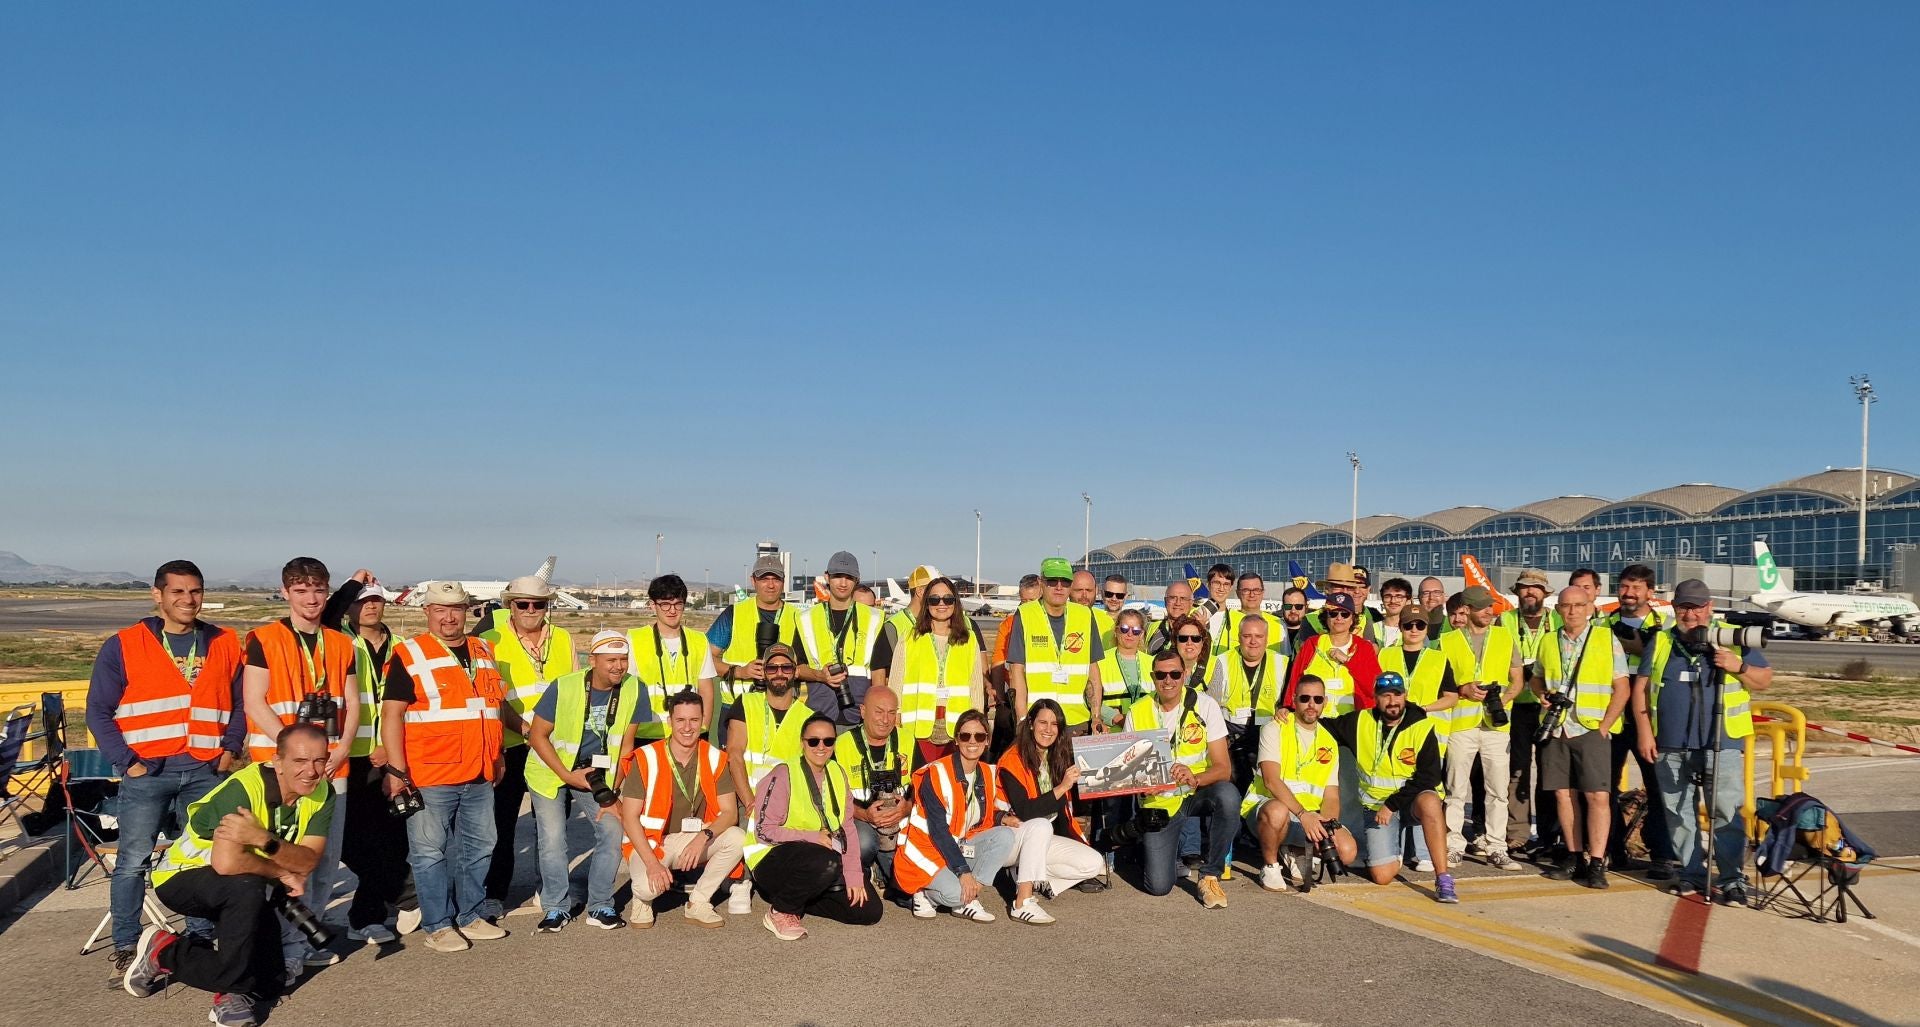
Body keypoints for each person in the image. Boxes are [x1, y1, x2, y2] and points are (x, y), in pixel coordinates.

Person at [89, 560, 245, 973]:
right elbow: (98, 712)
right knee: (133, 862)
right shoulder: (124, 645)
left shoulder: (225, 642)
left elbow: (241, 703)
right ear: (157, 595)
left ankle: (199, 937)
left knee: (200, 855)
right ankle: (126, 943)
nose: (188, 599)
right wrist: (128, 763)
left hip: (205, 770)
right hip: (148, 773)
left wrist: (230, 748)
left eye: (195, 591)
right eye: (178, 591)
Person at [124, 723, 335, 1027]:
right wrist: (281, 871)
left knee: (270, 983)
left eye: (319, 760)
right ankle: (231, 995)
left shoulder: (322, 792)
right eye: (300, 761)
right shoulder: (244, 789)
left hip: (245, 882)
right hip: (181, 877)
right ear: (277, 761)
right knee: (246, 886)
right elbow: (227, 863)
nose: (311, 771)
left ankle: (164, 951)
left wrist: (263, 839)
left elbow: (308, 861)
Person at [241, 557, 358, 969]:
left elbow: (353, 702)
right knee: (282, 861)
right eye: (302, 590)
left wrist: (342, 747)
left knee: (323, 860)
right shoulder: (263, 639)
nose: (311, 599)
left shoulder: (341, 643)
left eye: (319, 590)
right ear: (286, 592)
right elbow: (254, 701)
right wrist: (295, 752)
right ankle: (278, 946)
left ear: (328, 592)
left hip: (331, 768)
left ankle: (303, 942)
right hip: (281, 771)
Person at [379, 581, 509, 952]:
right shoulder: (410, 653)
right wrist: (397, 771)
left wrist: (498, 754)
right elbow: (392, 715)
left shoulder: (483, 649)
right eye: (440, 609)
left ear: (466, 611)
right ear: (427, 611)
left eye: (455, 609)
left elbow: (492, 707)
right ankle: (437, 925)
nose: (449, 617)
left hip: (479, 771)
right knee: (429, 852)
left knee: (480, 847)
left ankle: (470, 915)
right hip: (431, 773)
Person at [1633, 578, 1772, 905]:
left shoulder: (1732, 637)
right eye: (1684, 607)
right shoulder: (1662, 640)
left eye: (1696, 607)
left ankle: (1732, 878)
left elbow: (1764, 680)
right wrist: (1644, 732)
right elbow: (1641, 688)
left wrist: (1737, 666)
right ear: (1674, 608)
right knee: (1678, 812)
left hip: (1720, 742)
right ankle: (1691, 873)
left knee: (1725, 812)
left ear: (1709, 607)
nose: (1690, 614)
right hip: (1670, 744)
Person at [524, 630, 650, 932]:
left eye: (623, 659)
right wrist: (567, 775)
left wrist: (613, 792)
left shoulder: (635, 688)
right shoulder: (564, 686)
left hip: (597, 775)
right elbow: (537, 736)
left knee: (612, 829)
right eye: (610, 660)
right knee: (553, 839)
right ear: (592, 660)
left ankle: (600, 904)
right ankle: (556, 907)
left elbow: (627, 745)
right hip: (551, 771)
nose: (618, 666)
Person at [476, 575, 577, 922]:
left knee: (552, 826)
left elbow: (573, 690)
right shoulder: (490, 640)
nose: (531, 610)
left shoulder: (563, 639)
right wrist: (527, 730)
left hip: (554, 748)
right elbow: (493, 697)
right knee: (501, 825)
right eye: (523, 604)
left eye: (539, 604)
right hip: (512, 744)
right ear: (510, 606)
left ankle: (547, 889)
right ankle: (494, 893)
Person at [323, 572, 416, 944]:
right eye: (361, 600)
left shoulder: (403, 646)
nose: (370, 606)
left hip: (392, 754)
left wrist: (390, 749)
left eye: (375, 599)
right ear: (350, 607)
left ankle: (365, 917)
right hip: (351, 755)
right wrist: (351, 584)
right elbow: (326, 614)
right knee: (351, 840)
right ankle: (405, 892)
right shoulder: (339, 640)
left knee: (393, 838)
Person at [1308, 672, 1457, 902]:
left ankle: (1443, 878)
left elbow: (1430, 777)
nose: (1392, 701)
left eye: (1397, 695)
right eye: (1385, 696)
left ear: (1405, 695)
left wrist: (1392, 804)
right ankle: (1396, 847)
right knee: (1382, 876)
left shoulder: (1421, 725)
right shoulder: (1360, 721)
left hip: (1411, 803)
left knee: (1430, 800)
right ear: (1375, 698)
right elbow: (1323, 726)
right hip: (1376, 808)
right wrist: (1288, 711)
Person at [748, 714, 882, 940]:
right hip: (772, 858)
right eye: (813, 741)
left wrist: (853, 874)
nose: (821, 747)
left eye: (828, 741)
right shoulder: (784, 773)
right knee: (825, 862)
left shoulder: (837, 772)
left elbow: (847, 827)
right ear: (802, 742)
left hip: (820, 858)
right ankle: (782, 910)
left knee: (868, 911)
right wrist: (812, 836)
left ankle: (799, 899)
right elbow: (763, 831)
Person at [618, 691, 747, 927]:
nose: (687, 728)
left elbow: (730, 813)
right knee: (647, 888)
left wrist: (703, 837)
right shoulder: (646, 757)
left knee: (737, 838)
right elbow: (629, 817)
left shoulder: (715, 757)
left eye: (694, 720)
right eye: (680, 720)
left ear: (703, 721)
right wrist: (653, 864)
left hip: (693, 837)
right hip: (652, 842)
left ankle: (698, 901)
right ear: (670, 721)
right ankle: (641, 901)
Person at [1531, 588, 1630, 889]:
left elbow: (1622, 687)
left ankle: (1597, 861)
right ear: (1558, 609)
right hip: (1557, 728)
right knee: (1564, 795)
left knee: (1597, 796)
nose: (1572, 611)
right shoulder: (1548, 641)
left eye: (1578, 605)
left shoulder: (1605, 638)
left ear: (1590, 607)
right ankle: (1575, 857)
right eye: (1566, 606)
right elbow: (1536, 677)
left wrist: (1605, 725)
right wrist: (1541, 694)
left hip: (1590, 727)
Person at [1126, 649, 1239, 908]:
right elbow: (1129, 773)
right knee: (1158, 887)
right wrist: (1142, 785)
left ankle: (1210, 876)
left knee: (1228, 796)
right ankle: (1158, 852)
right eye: (1161, 675)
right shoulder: (1137, 711)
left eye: (1175, 674)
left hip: (1196, 792)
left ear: (1185, 674)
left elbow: (1223, 769)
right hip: (1160, 803)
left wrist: (1194, 777)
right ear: (1152, 677)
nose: (1168, 680)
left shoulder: (1205, 705)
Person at [895, 710, 1017, 922]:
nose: (972, 741)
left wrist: (1001, 818)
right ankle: (926, 894)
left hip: (958, 846)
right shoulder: (936, 773)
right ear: (956, 740)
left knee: (1005, 836)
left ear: (987, 741)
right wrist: (963, 872)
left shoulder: (987, 772)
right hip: (927, 851)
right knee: (955, 893)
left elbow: (976, 813)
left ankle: (969, 896)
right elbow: (939, 830)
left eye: (979, 736)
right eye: (965, 736)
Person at [1437, 586, 1525, 871]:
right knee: (1455, 789)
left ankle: (1496, 846)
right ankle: (1453, 845)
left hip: (1496, 726)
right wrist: (1462, 689)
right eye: (1482, 607)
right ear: (1467, 609)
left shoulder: (1504, 637)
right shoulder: (1447, 641)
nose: (1489, 611)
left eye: (1490, 606)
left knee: (1498, 789)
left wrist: (1503, 701)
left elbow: (1517, 679)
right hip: (1461, 723)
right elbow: (1439, 681)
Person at [1244, 675, 1359, 891]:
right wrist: (1303, 815)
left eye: (1317, 699)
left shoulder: (1329, 740)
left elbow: (1331, 795)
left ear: (1325, 702)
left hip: (1309, 816)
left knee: (1347, 851)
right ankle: (1270, 866)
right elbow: (1270, 780)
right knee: (1277, 811)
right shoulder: (1274, 728)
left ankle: (1294, 850)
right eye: (1305, 698)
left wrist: (1326, 825)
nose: (1311, 704)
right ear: (1294, 699)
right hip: (1270, 810)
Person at [998, 700, 1105, 923]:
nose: (1048, 729)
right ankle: (1022, 902)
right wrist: (1063, 787)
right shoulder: (1012, 759)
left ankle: (1040, 880)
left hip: (1042, 837)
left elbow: (1070, 805)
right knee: (1040, 825)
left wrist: (1100, 744)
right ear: (1030, 724)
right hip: (1009, 838)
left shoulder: (1057, 755)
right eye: (1043, 723)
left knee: (1094, 863)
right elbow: (1026, 811)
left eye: (1055, 724)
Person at [1603, 563, 1676, 878]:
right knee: (1603, 787)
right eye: (1624, 586)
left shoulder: (1667, 627)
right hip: (1612, 716)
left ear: (1650, 592)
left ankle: (1662, 855)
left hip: (1649, 718)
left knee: (1658, 788)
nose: (1629, 593)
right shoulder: (1603, 625)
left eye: (1636, 587)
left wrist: (1644, 646)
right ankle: (1613, 850)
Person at [890, 576, 986, 763]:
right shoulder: (909, 637)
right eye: (934, 599)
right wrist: (896, 716)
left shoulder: (969, 639)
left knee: (950, 778)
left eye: (948, 599)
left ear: (955, 603)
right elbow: (896, 681)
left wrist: (977, 724)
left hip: (956, 728)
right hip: (917, 728)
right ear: (926, 604)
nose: (941, 604)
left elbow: (975, 686)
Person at [1500, 569, 1561, 859]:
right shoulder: (1505, 620)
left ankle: (1550, 835)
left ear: (1545, 593)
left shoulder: (1558, 620)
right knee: (1517, 771)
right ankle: (1517, 835)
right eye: (1524, 588)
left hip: (1549, 704)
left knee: (1550, 772)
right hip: (1516, 705)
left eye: (1535, 588)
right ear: (1517, 592)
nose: (1529, 592)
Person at [1006, 557, 1105, 736]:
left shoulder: (1084, 615)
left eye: (1065, 582)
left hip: (1076, 721)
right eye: (1052, 581)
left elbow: (1093, 671)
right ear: (1041, 583)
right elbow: (1016, 670)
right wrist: (1022, 719)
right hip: (1038, 720)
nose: (1059, 587)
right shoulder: (1025, 614)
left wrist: (1096, 716)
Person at [833, 683, 915, 891]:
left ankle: (884, 871)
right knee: (864, 843)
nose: (885, 720)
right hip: (859, 819)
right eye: (879, 712)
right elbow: (832, 797)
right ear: (863, 711)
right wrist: (865, 814)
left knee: (906, 892)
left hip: (900, 821)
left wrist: (906, 808)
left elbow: (923, 787)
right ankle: (863, 869)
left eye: (891, 713)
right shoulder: (841, 744)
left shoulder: (908, 739)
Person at [711, 555, 817, 716]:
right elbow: (706, 658)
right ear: (753, 581)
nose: (771, 585)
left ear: (784, 581)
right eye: (764, 579)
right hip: (738, 708)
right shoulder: (734, 614)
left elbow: (811, 665)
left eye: (776, 579)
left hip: (785, 708)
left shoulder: (799, 618)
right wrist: (740, 672)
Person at [622, 573, 716, 753]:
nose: (672, 611)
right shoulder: (635, 639)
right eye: (665, 604)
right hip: (646, 735)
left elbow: (706, 690)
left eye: (677, 604)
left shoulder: (698, 640)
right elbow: (628, 693)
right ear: (653, 605)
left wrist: (702, 729)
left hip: (688, 734)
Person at [797, 551, 883, 730]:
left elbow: (880, 674)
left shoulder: (874, 618)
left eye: (849, 577)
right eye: (837, 576)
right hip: (819, 715)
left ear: (857, 580)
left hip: (860, 717)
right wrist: (820, 675)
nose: (843, 583)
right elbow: (796, 668)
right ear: (827, 577)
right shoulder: (806, 618)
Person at [1210, 614, 1287, 791]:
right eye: (1247, 636)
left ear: (1266, 638)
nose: (1253, 641)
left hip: (1267, 729)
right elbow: (1212, 705)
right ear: (1239, 637)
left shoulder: (1282, 662)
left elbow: (1286, 703)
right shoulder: (1222, 661)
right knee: (1235, 784)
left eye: (1259, 636)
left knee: (1267, 784)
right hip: (1232, 731)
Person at [725, 642, 808, 801]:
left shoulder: (809, 717)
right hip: (747, 800)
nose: (779, 673)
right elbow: (734, 755)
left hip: (788, 805)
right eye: (772, 668)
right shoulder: (745, 703)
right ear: (763, 672)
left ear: (796, 672)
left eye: (786, 668)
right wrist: (750, 804)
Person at [1283, 593, 1380, 717]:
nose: (1339, 618)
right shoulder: (1312, 644)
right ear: (1326, 617)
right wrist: (1288, 707)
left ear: (1352, 619)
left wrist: (1348, 661)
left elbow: (1374, 687)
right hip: (1316, 718)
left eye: (1345, 614)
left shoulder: (1364, 647)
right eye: (1333, 614)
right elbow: (1295, 680)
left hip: (1353, 719)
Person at [1095, 607, 1155, 729]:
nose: (1130, 634)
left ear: (1141, 634)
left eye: (1136, 630)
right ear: (1116, 631)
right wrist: (1115, 717)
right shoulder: (1099, 662)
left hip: (1146, 730)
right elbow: (1088, 698)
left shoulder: (1153, 663)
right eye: (1124, 629)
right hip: (1112, 732)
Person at [1208, 572, 1280, 663]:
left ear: (1262, 592)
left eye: (1256, 590)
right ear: (1238, 593)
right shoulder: (1225, 620)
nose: (1252, 595)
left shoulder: (1279, 624)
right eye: (1246, 590)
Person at [1144, 579, 1194, 655]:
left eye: (1183, 599)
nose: (1178, 603)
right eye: (1173, 598)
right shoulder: (1151, 628)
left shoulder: (1198, 631)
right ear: (1165, 601)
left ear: (1191, 603)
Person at [1072, 569, 1117, 652]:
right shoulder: (1058, 619)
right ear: (1069, 590)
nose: (1084, 595)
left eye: (1089, 590)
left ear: (1096, 590)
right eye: (1079, 590)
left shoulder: (1107, 621)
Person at [1274, 586, 1313, 659]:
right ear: (1282, 608)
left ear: (1306, 607)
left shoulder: (1314, 633)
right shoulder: (1271, 630)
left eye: (1298, 606)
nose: (1293, 611)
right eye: (1288, 606)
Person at [1377, 577, 1415, 647]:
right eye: (1388, 596)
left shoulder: (1415, 630)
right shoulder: (1372, 629)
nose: (1393, 601)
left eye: (1399, 596)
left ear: (1408, 601)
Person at [1097, 573, 1130, 650]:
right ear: (1102, 593)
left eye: (1119, 595)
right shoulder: (1092, 620)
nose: (1114, 599)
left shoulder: (1133, 624)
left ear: (1125, 596)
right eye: (1109, 594)